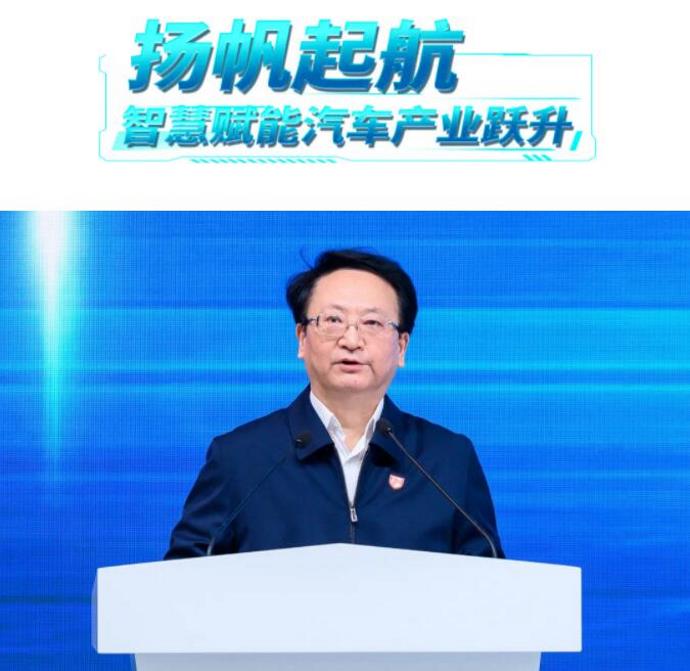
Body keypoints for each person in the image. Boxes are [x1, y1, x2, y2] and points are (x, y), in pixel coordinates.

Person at [165, 249, 504, 559]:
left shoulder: (448, 459)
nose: (351, 340)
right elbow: (182, 579)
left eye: (372, 323)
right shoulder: (240, 457)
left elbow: (490, 583)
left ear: (401, 347)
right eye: (333, 320)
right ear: (301, 338)